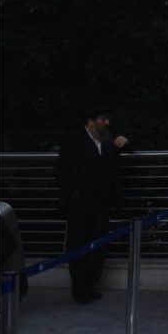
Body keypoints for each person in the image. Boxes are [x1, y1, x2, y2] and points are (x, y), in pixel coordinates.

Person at [57, 108, 130, 304]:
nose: (107, 123)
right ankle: (80, 288)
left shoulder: (106, 141)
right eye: (103, 119)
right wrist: (74, 194)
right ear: (90, 121)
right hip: (80, 201)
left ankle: (90, 284)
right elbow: (62, 169)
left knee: (100, 244)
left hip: (101, 202)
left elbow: (114, 157)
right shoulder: (74, 140)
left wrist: (123, 142)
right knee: (79, 243)